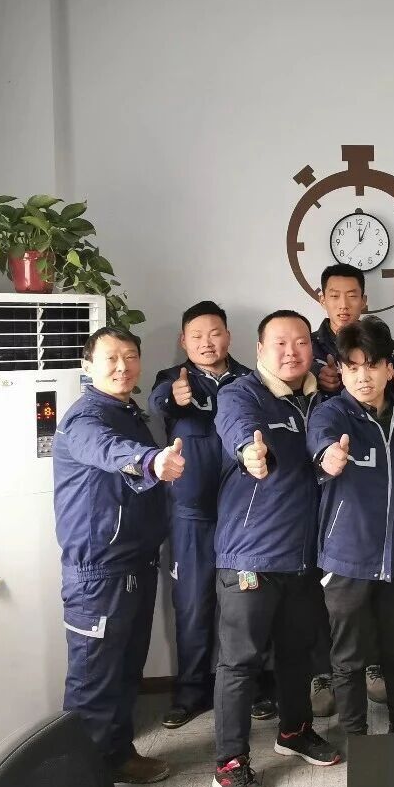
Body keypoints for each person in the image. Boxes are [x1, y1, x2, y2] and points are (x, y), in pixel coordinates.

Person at [211, 310, 342, 787]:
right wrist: (250, 451)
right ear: (260, 349)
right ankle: (229, 764)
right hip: (251, 553)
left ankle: (295, 730)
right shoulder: (241, 393)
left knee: (297, 652)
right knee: (240, 661)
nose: (292, 351)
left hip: (303, 557)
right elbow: (237, 427)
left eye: (301, 342)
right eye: (280, 343)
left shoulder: (318, 400)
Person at [53, 327, 184, 784]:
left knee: (125, 673)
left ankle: (117, 757)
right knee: (93, 683)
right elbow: (108, 450)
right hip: (99, 573)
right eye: (111, 358)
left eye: (130, 356)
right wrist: (151, 461)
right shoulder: (85, 418)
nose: (122, 366)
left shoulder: (128, 411)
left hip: (135, 564)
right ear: (88, 366)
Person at [308, 317, 394, 739]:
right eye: (353, 367)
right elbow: (320, 441)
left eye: (372, 365)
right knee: (348, 656)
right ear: (341, 371)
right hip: (347, 560)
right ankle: (355, 736)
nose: (363, 376)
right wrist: (329, 456)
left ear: (388, 368)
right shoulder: (331, 414)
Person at [149, 301, 252, 729]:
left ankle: (253, 688)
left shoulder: (248, 380)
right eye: (197, 336)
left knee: (247, 604)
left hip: (242, 514)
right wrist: (175, 396)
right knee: (192, 604)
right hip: (190, 516)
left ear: (228, 336)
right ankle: (191, 692)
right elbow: (160, 401)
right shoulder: (173, 380)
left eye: (214, 334)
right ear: (183, 341)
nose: (207, 343)